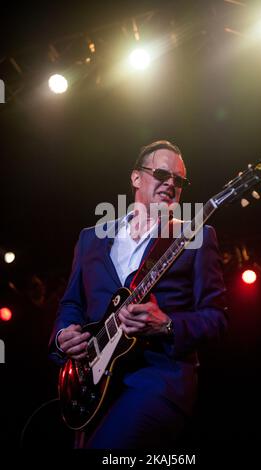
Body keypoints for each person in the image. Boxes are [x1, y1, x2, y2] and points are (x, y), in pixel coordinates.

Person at [49, 140, 228, 448]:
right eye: (162, 173)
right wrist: (64, 334)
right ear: (135, 178)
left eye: (179, 179)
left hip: (156, 380)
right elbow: (72, 303)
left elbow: (217, 318)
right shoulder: (91, 239)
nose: (171, 183)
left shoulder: (196, 236)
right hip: (92, 384)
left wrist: (168, 325)